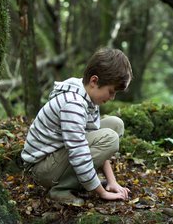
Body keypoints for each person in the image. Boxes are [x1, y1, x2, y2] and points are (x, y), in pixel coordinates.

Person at [21, 47, 133, 206]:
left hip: (58, 156)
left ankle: (80, 180)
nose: (112, 98)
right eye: (111, 91)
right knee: (110, 138)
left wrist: (112, 182)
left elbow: (95, 138)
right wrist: (102, 193)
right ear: (94, 81)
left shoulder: (88, 97)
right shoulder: (73, 104)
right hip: (42, 168)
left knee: (115, 125)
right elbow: (78, 151)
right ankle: (60, 189)